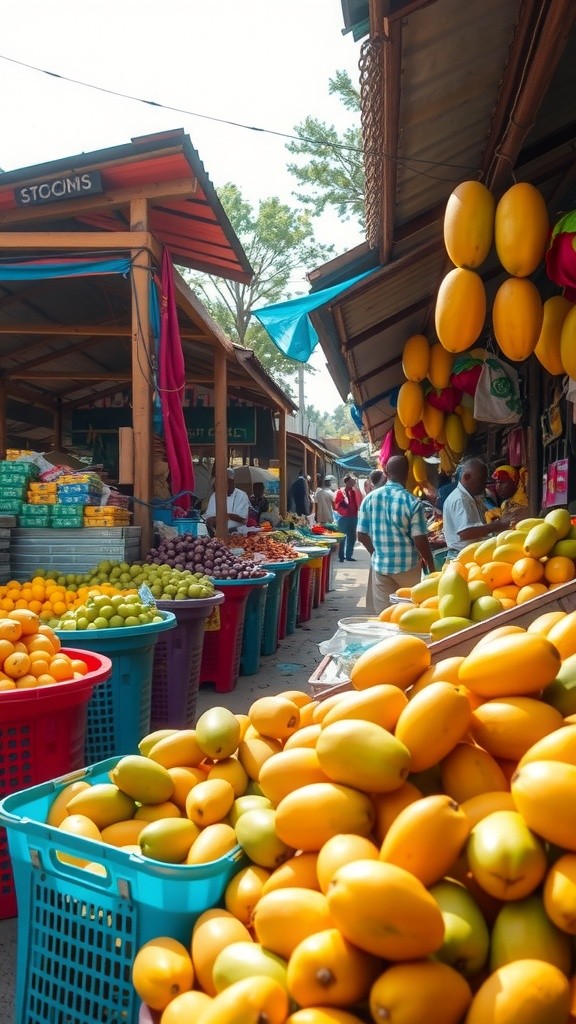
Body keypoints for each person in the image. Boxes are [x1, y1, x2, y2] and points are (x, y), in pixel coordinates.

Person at [357, 454, 435, 614]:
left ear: (385, 472)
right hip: (408, 567)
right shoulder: (412, 502)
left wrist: (376, 554)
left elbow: (361, 535)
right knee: (408, 613)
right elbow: (420, 539)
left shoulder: (369, 499)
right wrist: (431, 565)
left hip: (381, 568)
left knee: (385, 615)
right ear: (407, 473)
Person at [442, 457, 517, 556]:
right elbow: (465, 533)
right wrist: (497, 525)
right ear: (467, 477)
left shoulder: (468, 497)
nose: (484, 485)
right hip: (462, 556)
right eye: (481, 480)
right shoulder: (460, 499)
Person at [205, 468, 250, 536]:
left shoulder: (241, 495)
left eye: (226, 483)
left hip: (237, 532)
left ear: (232, 482)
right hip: (216, 531)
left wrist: (223, 516)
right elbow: (208, 516)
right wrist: (211, 519)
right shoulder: (215, 495)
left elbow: (242, 518)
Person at [334, 474, 363, 562]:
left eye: (353, 482)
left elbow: (357, 502)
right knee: (342, 537)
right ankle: (341, 556)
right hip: (343, 517)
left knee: (352, 537)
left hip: (353, 516)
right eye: (351, 482)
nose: (353, 484)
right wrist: (343, 505)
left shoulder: (354, 492)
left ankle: (349, 555)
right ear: (347, 482)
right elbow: (337, 503)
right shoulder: (340, 492)